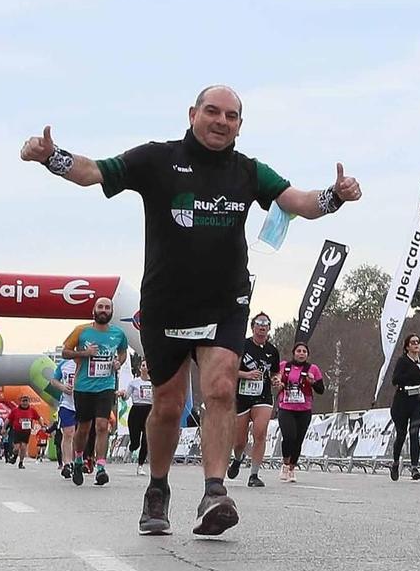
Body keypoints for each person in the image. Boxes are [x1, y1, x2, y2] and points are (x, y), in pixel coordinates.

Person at [19, 85, 363, 536]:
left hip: (225, 299)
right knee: (169, 403)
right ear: (193, 113)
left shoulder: (249, 172)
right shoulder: (157, 160)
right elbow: (94, 172)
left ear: (241, 124)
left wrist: (334, 196)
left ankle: (214, 492)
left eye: (232, 116)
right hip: (166, 302)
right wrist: (51, 156)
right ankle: (158, 489)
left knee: (220, 387)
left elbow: (296, 202)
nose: (222, 121)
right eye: (213, 112)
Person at [59, 296, 132, 488]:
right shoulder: (81, 331)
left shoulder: (118, 333)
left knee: (102, 425)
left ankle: (100, 467)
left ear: (112, 312)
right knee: (83, 428)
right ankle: (78, 460)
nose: (104, 310)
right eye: (100, 307)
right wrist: (84, 353)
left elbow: (123, 352)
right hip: (83, 386)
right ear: (94, 310)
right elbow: (65, 352)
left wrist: (119, 362)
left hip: (106, 386)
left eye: (107, 307)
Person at [229, 314, 281, 489]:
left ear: (269, 328)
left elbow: (275, 373)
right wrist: (246, 375)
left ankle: (254, 474)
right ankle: (237, 458)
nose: (262, 327)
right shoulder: (241, 345)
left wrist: (276, 380)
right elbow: (229, 370)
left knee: (260, 433)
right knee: (239, 441)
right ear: (252, 327)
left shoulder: (273, 351)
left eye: (266, 324)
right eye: (259, 324)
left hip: (263, 396)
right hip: (242, 396)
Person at [275, 342, 325, 482]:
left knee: (298, 440)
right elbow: (275, 379)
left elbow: (321, 390)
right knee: (289, 436)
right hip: (286, 407)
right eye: (299, 351)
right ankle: (285, 464)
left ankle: (292, 468)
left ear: (307, 354)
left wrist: (313, 382)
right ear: (294, 353)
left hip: (304, 409)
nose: (301, 353)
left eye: (304, 351)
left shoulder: (313, 369)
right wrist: (279, 382)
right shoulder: (284, 366)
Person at [387, 334, 420, 482]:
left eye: (418, 342)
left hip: (418, 400)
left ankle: (414, 467)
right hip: (402, 401)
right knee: (401, 434)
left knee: (414, 432)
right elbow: (395, 380)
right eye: (413, 342)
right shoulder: (402, 361)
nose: (416, 344)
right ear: (407, 347)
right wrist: (412, 371)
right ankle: (396, 462)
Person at [122, 358, 154, 476]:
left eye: (147, 365)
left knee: (146, 440)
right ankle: (131, 448)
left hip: (149, 411)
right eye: (143, 365)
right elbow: (126, 397)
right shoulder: (134, 382)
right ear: (140, 368)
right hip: (136, 411)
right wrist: (122, 395)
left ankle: (140, 466)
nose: (145, 367)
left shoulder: (154, 383)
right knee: (136, 442)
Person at [49, 351, 78, 478]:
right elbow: (53, 380)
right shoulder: (64, 364)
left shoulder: (87, 364)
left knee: (79, 435)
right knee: (68, 433)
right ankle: (67, 463)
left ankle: (79, 460)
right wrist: (63, 387)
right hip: (67, 404)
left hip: (83, 403)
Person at [8, 396, 39, 469]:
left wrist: (43, 426)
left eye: (26, 401)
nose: (25, 403)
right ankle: (15, 456)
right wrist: (3, 428)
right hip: (17, 431)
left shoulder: (32, 410)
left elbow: (38, 418)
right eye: (23, 401)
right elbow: (8, 419)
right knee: (16, 448)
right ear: (20, 402)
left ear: (28, 402)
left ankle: (21, 462)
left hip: (26, 432)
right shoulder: (15, 410)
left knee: (23, 448)